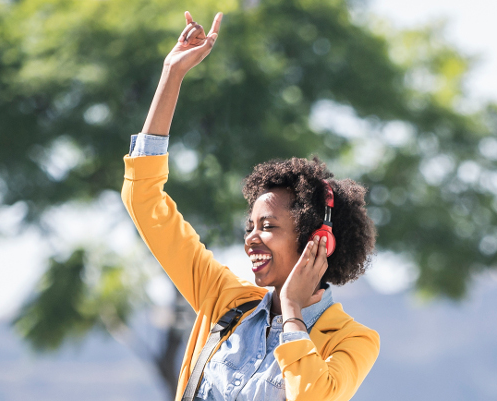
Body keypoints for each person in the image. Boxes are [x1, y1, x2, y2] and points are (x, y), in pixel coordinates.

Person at [120, 11, 380, 401]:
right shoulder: (226, 300)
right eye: (250, 227)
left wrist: (292, 311)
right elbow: (143, 201)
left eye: (268, 226)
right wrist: (171, 75)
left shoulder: (352, 339)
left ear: (318, 241)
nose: (251, 239)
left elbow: (314, 395)